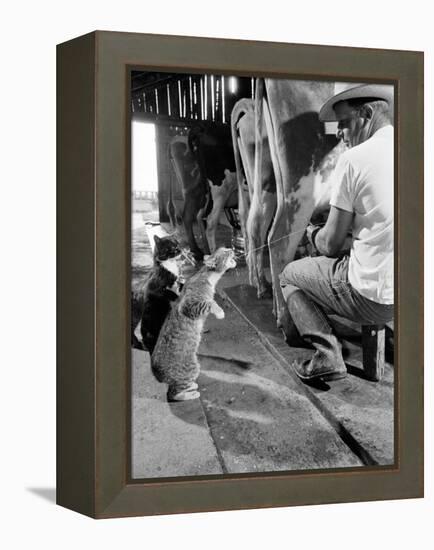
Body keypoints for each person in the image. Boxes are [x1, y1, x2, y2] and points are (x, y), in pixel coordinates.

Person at [279, 84, 394, 382]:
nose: (339, 134)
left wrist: (313, 234)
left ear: (366, 114)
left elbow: (330, 245)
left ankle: (327, 354)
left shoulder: (354, 159)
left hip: (374, 298)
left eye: (344, 123)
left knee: (290, 274)